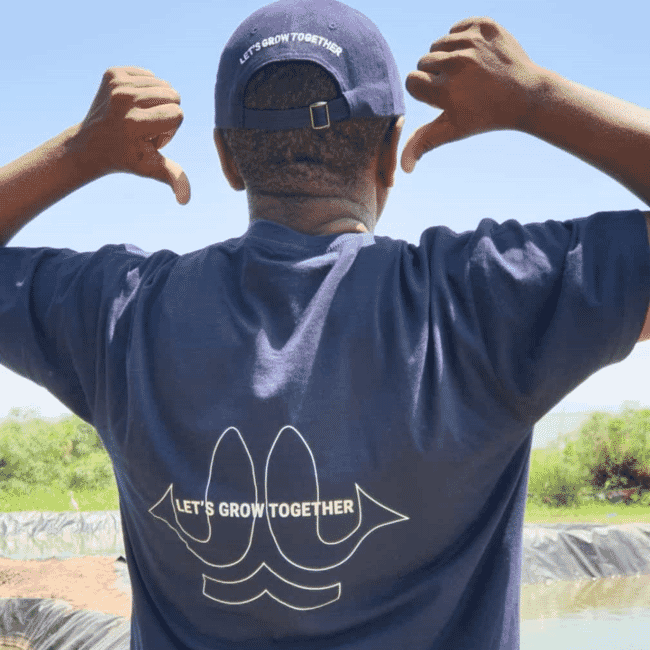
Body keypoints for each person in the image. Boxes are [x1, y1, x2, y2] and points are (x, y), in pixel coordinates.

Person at [1, 0, 649, 648]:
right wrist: (536, 98)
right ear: (391, 150)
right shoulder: (483, 300)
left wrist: (79, 152)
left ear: (226, 158)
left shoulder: (120, 316)